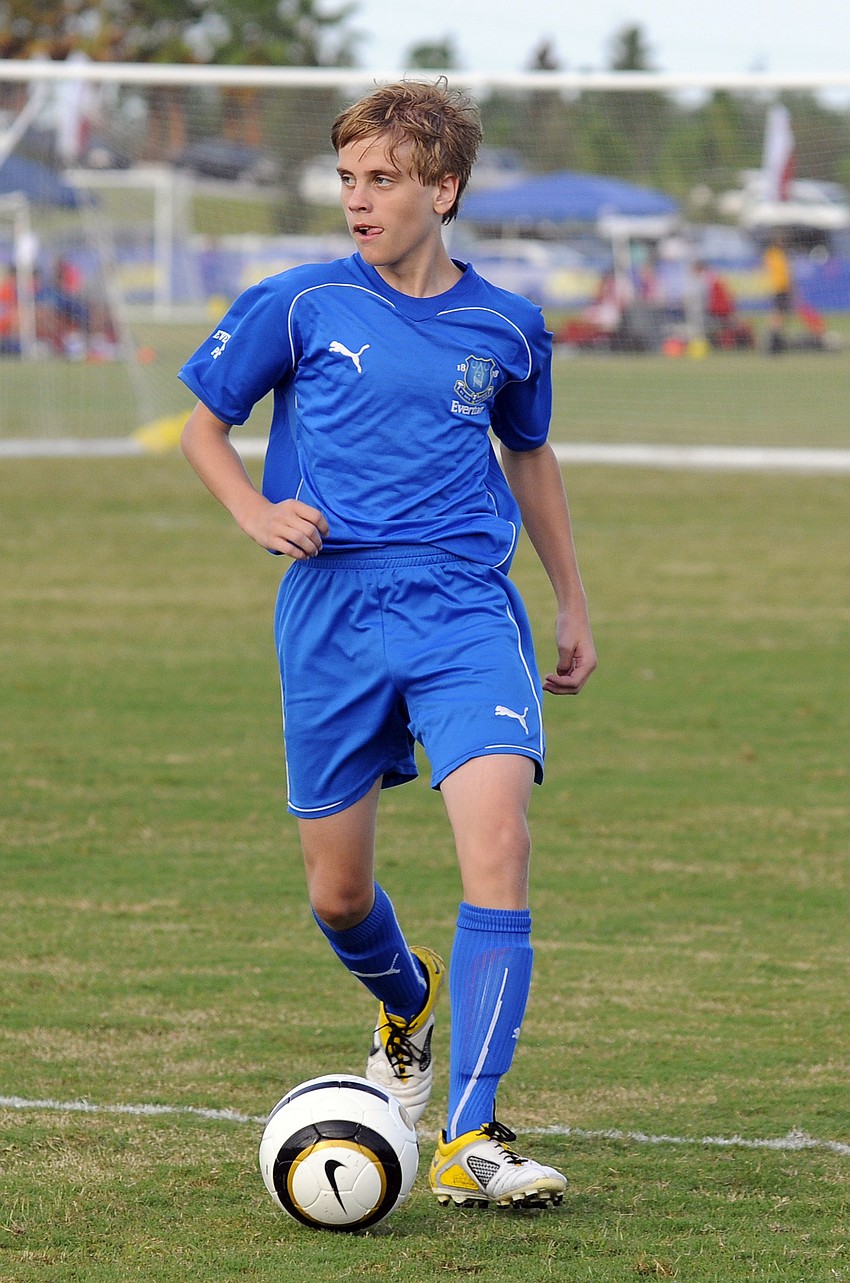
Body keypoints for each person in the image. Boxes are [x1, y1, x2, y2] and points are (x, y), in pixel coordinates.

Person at [179, 79, 596, 1210]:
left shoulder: (506, 326)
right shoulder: (299, 300)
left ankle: (469, 1131)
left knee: (498, 835)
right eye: (347, 180)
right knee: (337, 891)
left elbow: (532, 457)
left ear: (442, 189)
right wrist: (253, 513)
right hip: (330, 611)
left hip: (464, 606)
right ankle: (402, 1003)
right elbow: (201, 425)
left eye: (382, 181)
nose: (358, 201)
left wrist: (569, 599)